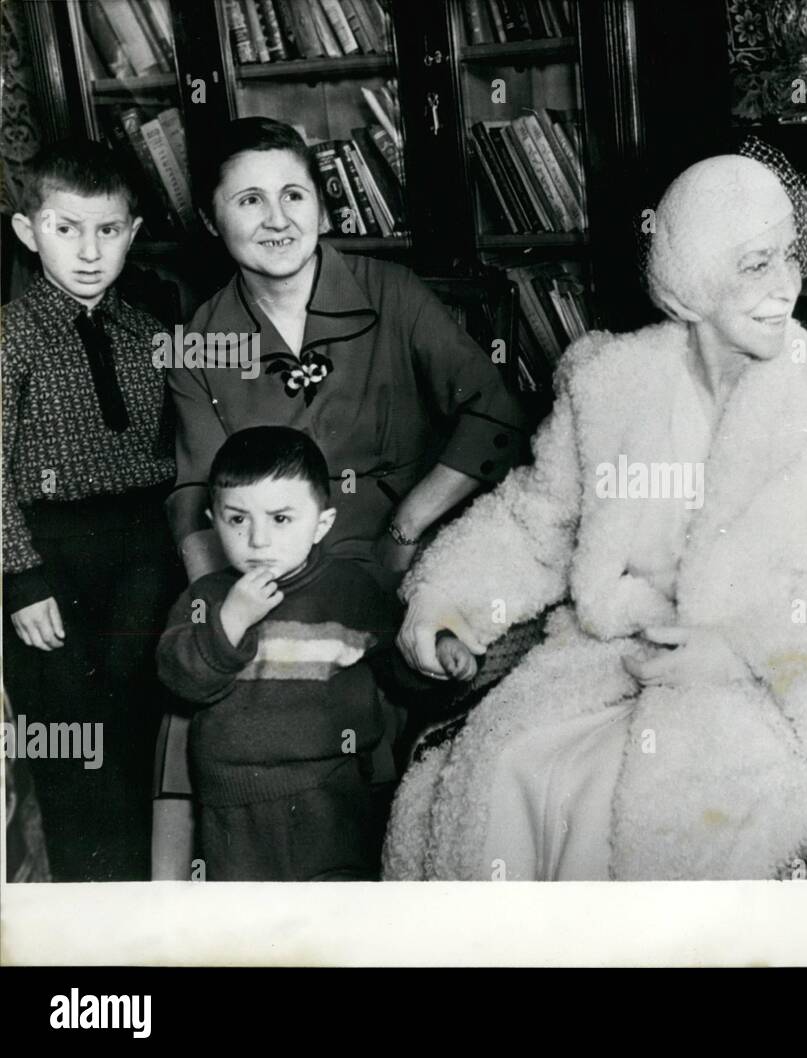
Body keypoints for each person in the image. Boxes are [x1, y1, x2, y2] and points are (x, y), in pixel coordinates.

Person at [383, 154, 807, 881]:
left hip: (753, 685)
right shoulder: (610, 382)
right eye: (755, 265)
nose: (785, 286)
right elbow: (538, 521)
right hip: (608, 658)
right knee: (505, 767)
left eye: (789, 256)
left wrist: (742, 653)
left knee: (649, 818)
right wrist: (451, 604)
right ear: (693, 281)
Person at [152, 117, 530, 876]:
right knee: (196, 700)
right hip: (268, 569)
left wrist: (411, 522)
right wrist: (219, 599)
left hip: (399, 558)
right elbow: (195, 488)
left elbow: (494, 413)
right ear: (212, 219)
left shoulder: (390, 292)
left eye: (294, 194)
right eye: (249, 201)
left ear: (323, 208)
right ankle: (183, 909)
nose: (278, 218)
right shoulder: (199, 338)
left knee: (421, 690)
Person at [2, 138, 181, 881]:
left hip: (143, 551)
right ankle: (89, 912)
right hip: (49, 561)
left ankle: (147, 903)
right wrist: (19, 578)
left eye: (108, 231)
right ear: (25, 230)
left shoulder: (150, 331)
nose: (87, 251)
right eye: (65, 228)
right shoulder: (10, 337)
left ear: (132, 233)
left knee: (140, 728)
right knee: (73, 739)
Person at [157, 427, 419, 881]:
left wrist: (435, 659)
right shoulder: (206, 598)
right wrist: (231, 621)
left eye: (281, 519)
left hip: (333, 798)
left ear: (321, 524)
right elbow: (181, 679)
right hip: (232, 806)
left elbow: (400, 667)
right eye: (237, 519)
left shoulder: (350, 591)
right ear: (213, 520)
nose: (258, 540)